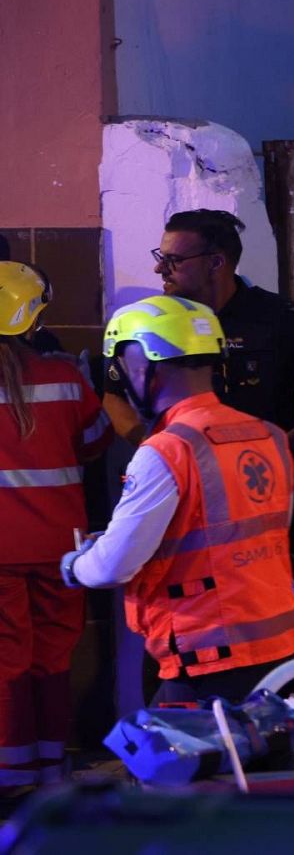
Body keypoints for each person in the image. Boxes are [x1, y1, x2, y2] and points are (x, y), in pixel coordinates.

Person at [61, 296, 294, 705]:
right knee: (266, 768)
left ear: (142, 365)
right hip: (279, 650)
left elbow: (113, 565)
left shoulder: (167, 451)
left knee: (160, 766)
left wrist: (75, 565)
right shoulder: (270, 436)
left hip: (208, 658)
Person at [111, 210, 294, 477]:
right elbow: (114, 397)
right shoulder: (154, 322)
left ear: (216, 263)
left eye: (174, 260)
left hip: (266, 476)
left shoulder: (281, 318)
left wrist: (284, 446)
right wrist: (158, 450)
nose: (159, 268)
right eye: (161, 258)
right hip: (189, 476)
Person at [0, 263, 111, 794]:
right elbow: (94, 443)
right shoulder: (67, 379)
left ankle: (11, 773)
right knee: (52, 656)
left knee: (7, 661)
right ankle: (50, 770)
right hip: (61, 548)